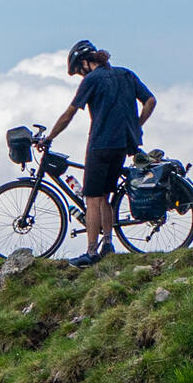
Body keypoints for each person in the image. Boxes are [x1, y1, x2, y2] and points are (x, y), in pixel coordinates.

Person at [42, 40, 156, 264]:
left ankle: (91, 252)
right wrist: (136, 126)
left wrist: (50, 137)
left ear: (85, 62)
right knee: (105, 197)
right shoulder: (126, 74)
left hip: (101, 145)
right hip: (124, 146)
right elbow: (150, 101)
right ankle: (108, 244)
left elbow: (69, 114)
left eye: (78, 70)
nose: (79, 75)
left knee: (92, 199)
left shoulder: (92, 80)